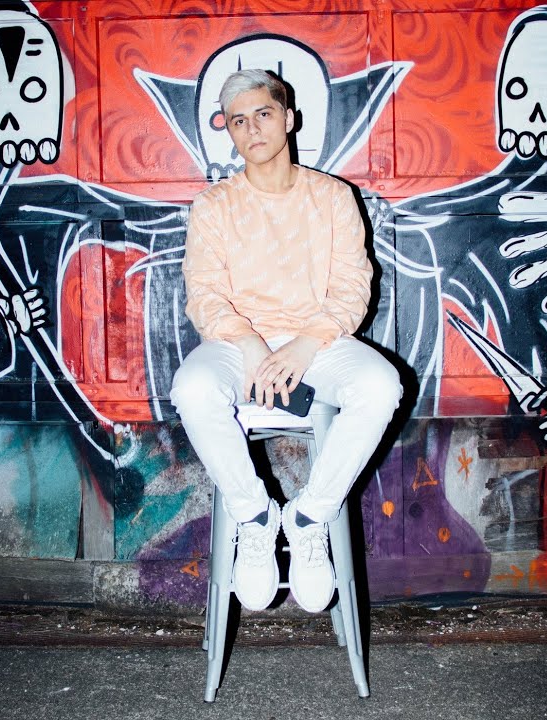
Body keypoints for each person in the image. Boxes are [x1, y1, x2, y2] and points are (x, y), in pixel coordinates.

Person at [169, 69, 403, 613]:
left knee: (381, 386)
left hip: (316, 342)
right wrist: (251, 344)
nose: (252, 129)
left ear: (289, 119)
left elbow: (352, 288)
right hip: (237, 344)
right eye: (239, 121)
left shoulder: (332, 196)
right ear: (229, 131)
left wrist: (304, 344)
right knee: (192, 389)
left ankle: (308, 518)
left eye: (264, 114)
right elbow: (204, 295)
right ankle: (254, 517)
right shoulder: (214, 205)